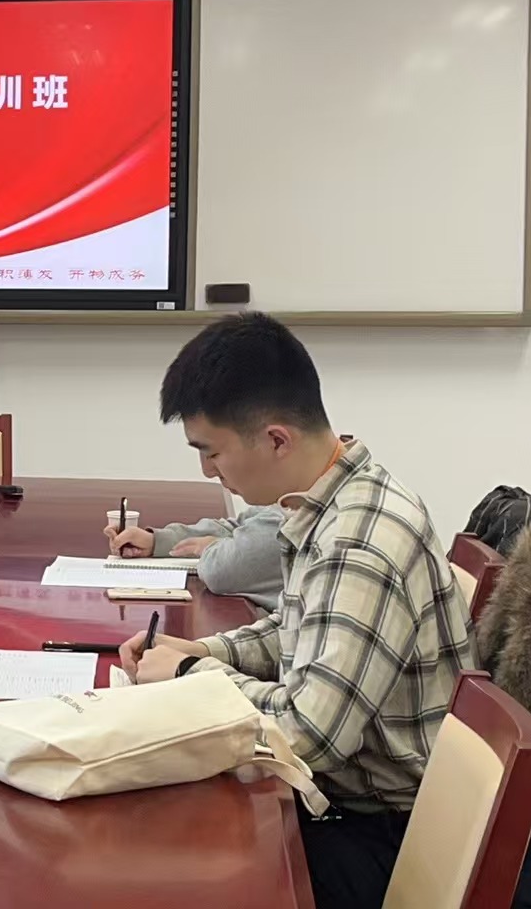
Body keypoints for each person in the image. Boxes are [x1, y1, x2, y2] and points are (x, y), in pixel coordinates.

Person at [116, 312, 473, 909]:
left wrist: (188, 676)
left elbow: (306, 735)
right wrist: (204, 649)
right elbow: (298, 627)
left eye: (212, 451)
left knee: (169, 860)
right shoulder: (331, 502)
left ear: (276, 439)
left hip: (386, 836)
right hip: (354, 807)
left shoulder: (360, 541)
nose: (207, 471)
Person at [105, 504, 287, 609]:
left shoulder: (287, 518)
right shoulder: (282, 501)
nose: (209, 471)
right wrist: (156, 541)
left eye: (215, 455)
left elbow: (221, 570)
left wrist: (212, 545)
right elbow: (234, 528)